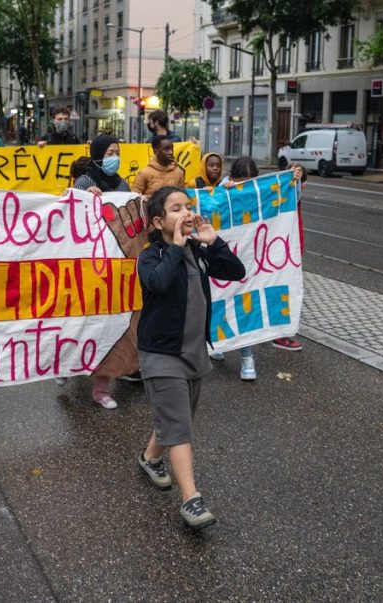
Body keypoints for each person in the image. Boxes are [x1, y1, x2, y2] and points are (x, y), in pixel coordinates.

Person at [135, 185, 246, 529]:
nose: (185, 212)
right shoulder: (151, 256)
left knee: (177, 418)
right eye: (175, 208)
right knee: (180, 426)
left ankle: (150, 458)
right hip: (161, 353)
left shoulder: (199, 249)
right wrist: (175, 248)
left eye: (188, 206)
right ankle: (191, 500)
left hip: (194, 352)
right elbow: (158, 284)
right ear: (157, 221)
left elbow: (235, 271)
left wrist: (213, 241)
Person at [214, 156, 306, 365]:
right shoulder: (225, 187)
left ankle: (247, 357)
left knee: (246, 301)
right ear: (231, 178)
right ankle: (220, 344)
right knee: (224, 298)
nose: (243, 187)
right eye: (239, 182)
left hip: (252, 258)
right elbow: (213, 204)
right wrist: (224, 188)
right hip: (227, 255)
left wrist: (294, 181)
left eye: (247, 182)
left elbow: (289, 200)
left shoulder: (262, 192)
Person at [67, 135, 131, 407]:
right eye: (109, 152)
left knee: (109, 327)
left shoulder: (123, 183)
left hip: (114, 263)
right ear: (96, 155)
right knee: (83, 323)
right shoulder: (84, 182)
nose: (114, 157)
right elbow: (67, 212)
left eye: (117, 151)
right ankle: (67, 364)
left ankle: (101, 388)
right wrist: (84, 199)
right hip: (86, 264)